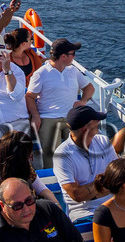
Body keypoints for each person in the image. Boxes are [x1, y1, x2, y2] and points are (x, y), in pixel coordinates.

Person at [0, 131, 58, 242]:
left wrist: (57, 209)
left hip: (26, 221)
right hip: (0, 236)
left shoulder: (24, 168)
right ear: (19, 158)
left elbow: (42, 189)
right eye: (29, 155)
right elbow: (2, 221)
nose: (31, 158)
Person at [27, 38, 95, 166]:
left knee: (81, 150)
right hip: (48, 117)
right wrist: (36, 116)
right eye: (72, 54)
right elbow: (30, 97)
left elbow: (89, 88)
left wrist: (83, 101)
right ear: (63, 56)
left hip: (71, 117)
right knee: (52, 155)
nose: (74, 57)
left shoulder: (73, 71)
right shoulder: (41, 74)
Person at [54, 104, 117, 218]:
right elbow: (77, 195)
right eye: (96, 121)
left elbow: (118, 176)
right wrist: (107, 180)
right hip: (83, 212)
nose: (99, 122)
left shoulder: (103, 141)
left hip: (113, 204)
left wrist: (89, 190)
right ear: (85, 129)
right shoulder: (62, 155)